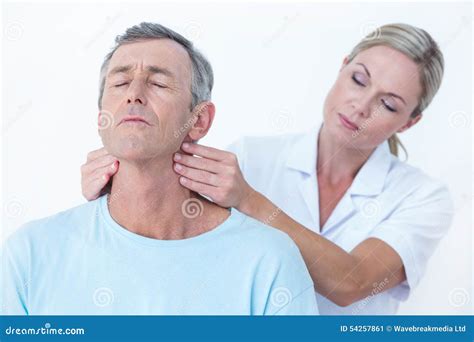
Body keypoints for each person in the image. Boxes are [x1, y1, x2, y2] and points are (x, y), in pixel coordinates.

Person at [81, 23, 454, 314]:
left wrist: (248, 200)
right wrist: (114, 183)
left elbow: (352, 282)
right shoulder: (252, 155)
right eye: (358, 80)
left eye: (388, 104)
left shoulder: (422, 197)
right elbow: (165, 227)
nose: (361, 106)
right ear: (342, 69)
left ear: (409, 123)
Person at [1, 22, 318, 315]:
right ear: (101, 119)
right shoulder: (30, 253)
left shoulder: (268, 261)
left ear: (199, 120)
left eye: (158, 83)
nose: (133, 95)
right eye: (121, 82)